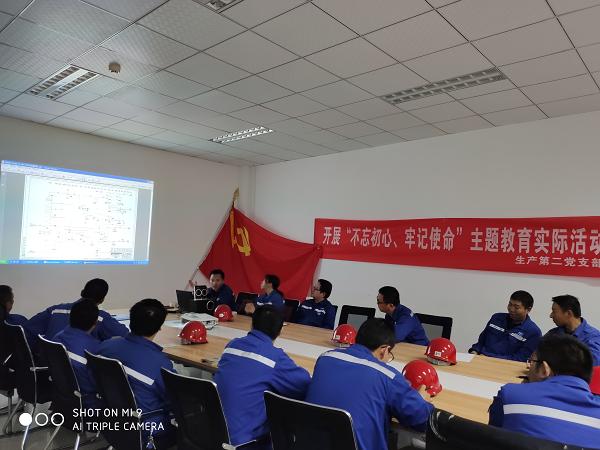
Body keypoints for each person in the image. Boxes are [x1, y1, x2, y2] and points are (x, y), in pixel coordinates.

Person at [306, 318, 433, 450]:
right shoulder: (387, 375)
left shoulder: (325, 358)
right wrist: (421, 400)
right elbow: (422, 420)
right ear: (384, 349)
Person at [215, 305, 311, 450]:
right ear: (279, 332)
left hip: (213, 433)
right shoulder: (275, 358)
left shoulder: (232, 345)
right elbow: (304, 385)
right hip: (244, 444)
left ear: (252, 324)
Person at [489, 334, 600, 448]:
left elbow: (491, 439)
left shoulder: (511, 394)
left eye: (532, 361)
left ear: (544, 369)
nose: (529, 367)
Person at [97, 298, 175, 448]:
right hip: (146, 430)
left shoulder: (105, 346)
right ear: (159, 327)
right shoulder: (159, 364)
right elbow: (173, 400)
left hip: (110, 422)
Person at [26, 278, 128, 341]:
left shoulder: (55, 310)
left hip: (49, 363)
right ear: (102, 300)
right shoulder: (100, 317)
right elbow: (125, 334)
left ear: (82, 292)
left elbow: (29, 327)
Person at [51, 298, 101, 408]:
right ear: (95, 323)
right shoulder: (95, 350)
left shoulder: (57, 338)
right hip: (88, 404)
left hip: (62, 398)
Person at [469, 290, 541, 362]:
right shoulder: (496, 318)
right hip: (480, 359)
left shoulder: (533, 332)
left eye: (516, 307)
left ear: (528, 309)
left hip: (505, 365)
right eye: (510, 304)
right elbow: (481, 342)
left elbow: (520, 358)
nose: (511, 309)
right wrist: (474, 351)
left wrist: (488, 358)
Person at [545, 294, 600, 366]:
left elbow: (591, 365)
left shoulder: (593, 337)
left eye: (554, 311)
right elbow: (537, 355)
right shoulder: (553, 334)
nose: (551, 315)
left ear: (568, 313)